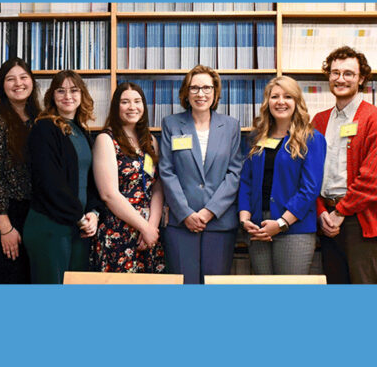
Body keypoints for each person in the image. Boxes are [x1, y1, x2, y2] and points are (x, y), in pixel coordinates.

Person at [311, 46, 377, 284]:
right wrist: (322, 212)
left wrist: (340, 212)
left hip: (359, 220)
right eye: (335, 73)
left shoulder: (375, 118)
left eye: (348, 73)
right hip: (327, 218)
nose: (340, 79)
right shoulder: (319, 120)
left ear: (361, 78)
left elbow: (374, 180)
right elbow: (311, 174)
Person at [158, 65, 243, 284]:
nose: (200, 93)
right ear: (186, 92)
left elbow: (234, 173)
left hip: (219, 223)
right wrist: (186, 213)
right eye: (194, 88)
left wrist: (209, 212)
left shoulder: (231, 126)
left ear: (215, 92)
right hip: (181, 223)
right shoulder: (172, 124)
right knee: (185, 286)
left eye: (206, 87)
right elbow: (167, 171)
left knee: (215, 288)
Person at [238, 76, 326, 274]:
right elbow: (246, 181)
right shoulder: (257, 137)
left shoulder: (311, 139)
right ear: (267, 102)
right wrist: (245, 220)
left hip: (294, 228)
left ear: (297, 102)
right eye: (274, 96)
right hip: (258, 227)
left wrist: (281, 223)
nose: (280, 102)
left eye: (288, 96)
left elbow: (310, 189)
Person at [23, 70, 102, 284]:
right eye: (61, 90)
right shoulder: (44, 128)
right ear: (52, 96)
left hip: (78, 227)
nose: (68, 96)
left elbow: (90, 180)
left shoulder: (82, 131)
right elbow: (49, 182)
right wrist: (80, 217)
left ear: (82, 95)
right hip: (50, 227)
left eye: (74, 90)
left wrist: (93, 213)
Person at [0, 58, 41, 283]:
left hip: (31, 212)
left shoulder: (38, 118)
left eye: (23, 77)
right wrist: (6, 229)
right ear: (1, 85)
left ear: (32, 81)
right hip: (5, 215)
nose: (18, 83)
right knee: (10, 278)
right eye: (10, 79)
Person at [92, 82, 165, 272]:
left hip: (149, 235)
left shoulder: (149, 140)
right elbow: (109, 194)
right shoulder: (106, 139)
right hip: (118, 232)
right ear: (116, 107)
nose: (132, 107)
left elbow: (156, 186)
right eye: (125, 102)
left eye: (137, 101)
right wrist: (144, 227)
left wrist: (152, 227)